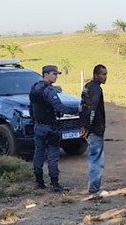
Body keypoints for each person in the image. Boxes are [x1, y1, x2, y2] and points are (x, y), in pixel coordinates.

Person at [30, 64, 81, 192]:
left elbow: (31, 108)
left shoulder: (34, 88)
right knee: (52, 154)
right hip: (50, 127)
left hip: (38, 126)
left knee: (39, 153)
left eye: (57, 74)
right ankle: (55, 183)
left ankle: (39, 181)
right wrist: (77, 110)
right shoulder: (49, 90)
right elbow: (59, 107)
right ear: (45, 74)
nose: (56, 76)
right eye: (54, 74)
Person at [80, 64, 108, 197]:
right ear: (96, 74)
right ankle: (95, 189)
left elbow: (82, 107)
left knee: (93, 157)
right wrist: (88, 127)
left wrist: (83, 125)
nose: (105, 77)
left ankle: (93, 186)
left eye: (106, 74)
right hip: (95, 129)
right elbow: (91, 110)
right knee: (97, 159)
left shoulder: (87, 87)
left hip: (89, 128)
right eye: (102, 74)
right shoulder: (96, 90)